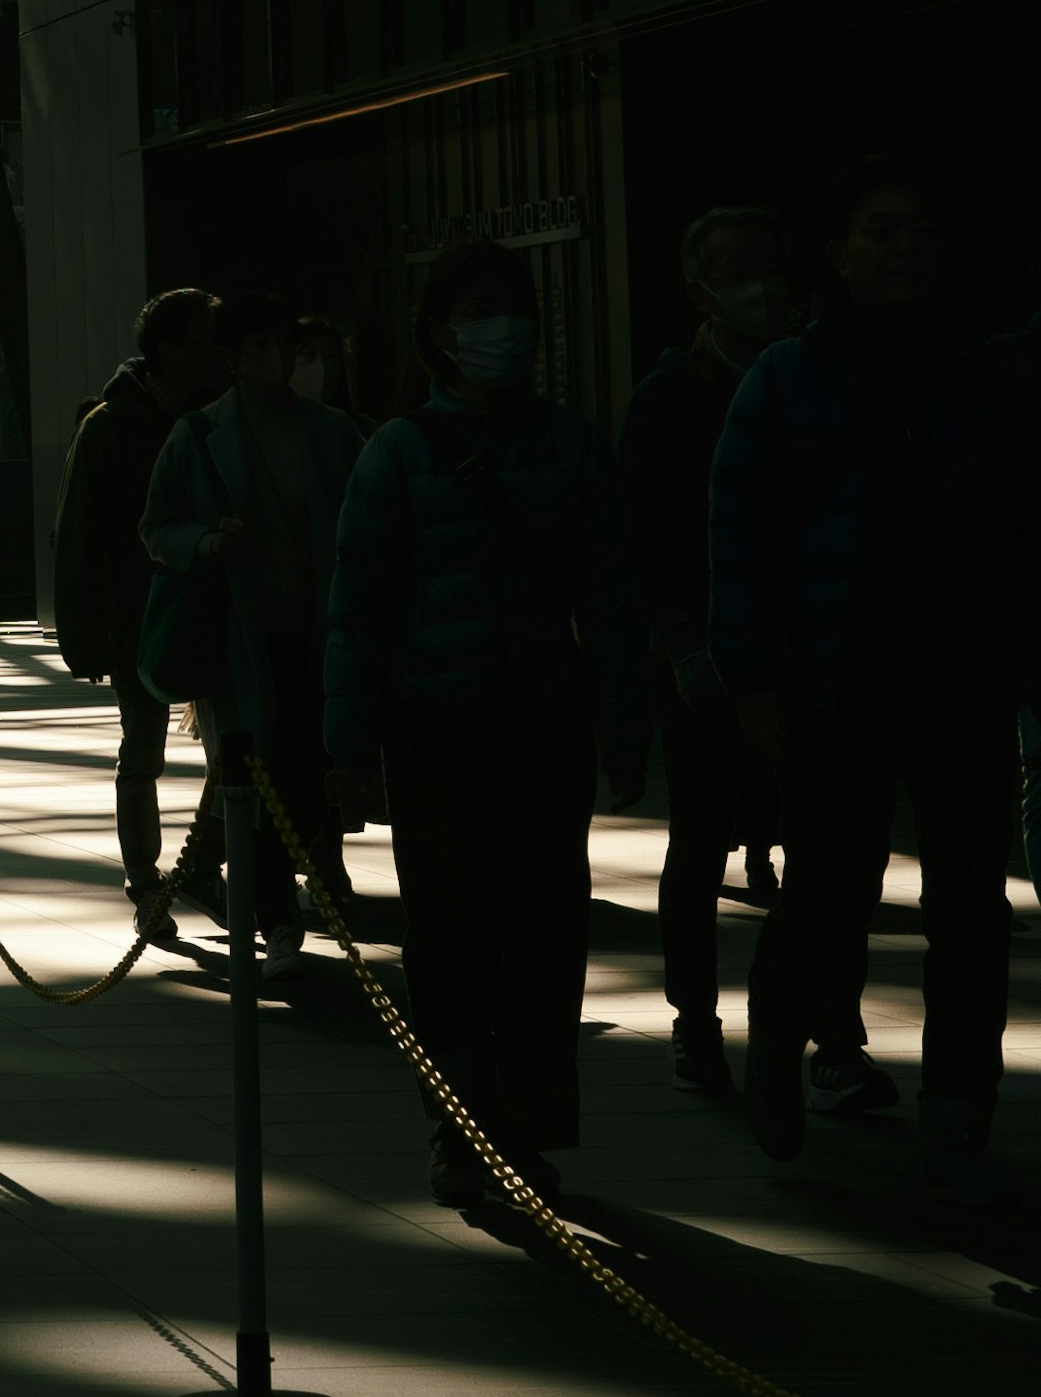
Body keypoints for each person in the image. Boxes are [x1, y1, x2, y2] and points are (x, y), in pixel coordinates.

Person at [712, 162, 1017, 1207]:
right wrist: (751, 675)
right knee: (829, 897)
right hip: (832, 683)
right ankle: (781, 1042)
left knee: (971, 909)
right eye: (878, 232)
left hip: (961, 679)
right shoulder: (790, 378)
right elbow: (738, 537)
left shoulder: (980, 371)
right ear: (840, 255)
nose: (900, 251)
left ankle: (957, 1122)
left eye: (915, 232)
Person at [323, 235, 641, 1228]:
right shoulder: (400, 454)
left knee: (547, 933)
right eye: (481, 310)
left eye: (516, 307)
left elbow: (614, 599)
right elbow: (357, 612)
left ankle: (529, 1129)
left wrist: (624, 724)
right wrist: (346, 749)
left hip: (544, 725)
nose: (503, 327)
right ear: (439, 337)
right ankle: (463, 1131)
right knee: (453, 938)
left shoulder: (574, 446)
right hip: (437, 733)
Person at [618, 205, 792, 1103]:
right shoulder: (673, 396)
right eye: (737, 270)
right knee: (698, 843)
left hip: (793, 656)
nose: (758, 284)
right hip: (701, 662)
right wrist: (683, 648)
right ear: (701, 291)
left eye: (767, 264)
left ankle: (810, 1023)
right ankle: (696, 1017)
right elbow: (645, 543)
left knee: (817, 842)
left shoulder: (800, 378)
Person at [140, 287, 357, 985]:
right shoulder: (201, 435)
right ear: (232, 359)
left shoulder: (330, 431)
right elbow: (157, 525)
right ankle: (275, 913)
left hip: (316, 631)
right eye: (259, 348)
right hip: (242, 642)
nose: (277, 361)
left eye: (282, 347)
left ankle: (271, 901)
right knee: (254, 777)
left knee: (302, 772)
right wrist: (204, 543)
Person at [51, 287, 222, 949]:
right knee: (147, 751)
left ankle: (179, 871)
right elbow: (81, 539)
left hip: (175, 609)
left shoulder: (184, 418)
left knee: (181, 753)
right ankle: (152, 877)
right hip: (141, 617)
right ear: (174, 348)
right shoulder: (114, 427)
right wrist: (86, 639)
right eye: (207, 339)